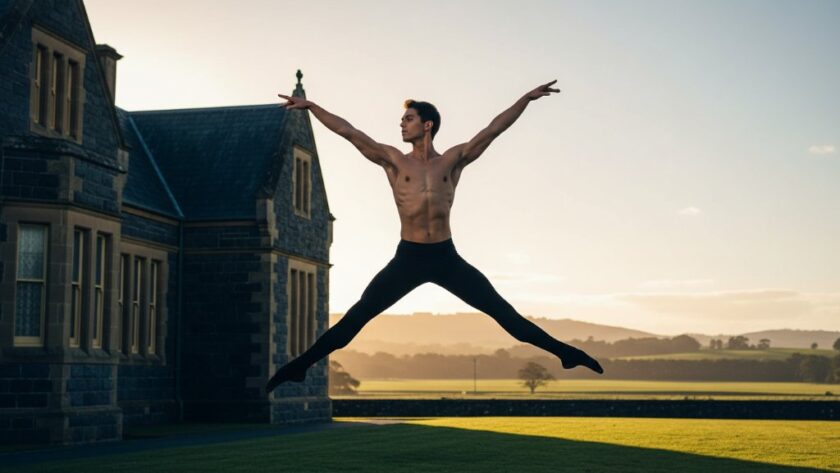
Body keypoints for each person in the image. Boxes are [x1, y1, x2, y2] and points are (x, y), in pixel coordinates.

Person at [266, 80, 603, 394]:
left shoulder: (452, 161)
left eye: (408, 119)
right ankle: (300, 367)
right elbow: (349, 132)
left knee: (504, 314)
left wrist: (525, 100)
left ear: (426, 125)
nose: (402, 124)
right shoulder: (394, 161)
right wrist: (311, 106)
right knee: (357, 317)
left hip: (445, 258)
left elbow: (493, 130)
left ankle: (566, 354)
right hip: (408, 258)